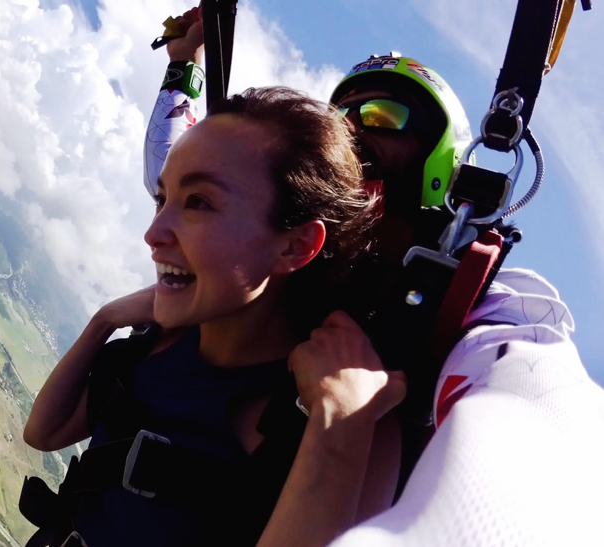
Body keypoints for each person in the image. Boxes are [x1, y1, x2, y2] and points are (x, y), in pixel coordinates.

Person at [143, 8, 604, 547]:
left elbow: (544, 423)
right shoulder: (281, 239)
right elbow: (175, 173)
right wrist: (185, 66)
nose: (354, 130)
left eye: (385, 116)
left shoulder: (478, 304)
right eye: (341, 120)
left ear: (439, 161)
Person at [23, 87, 406, 547]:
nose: (153, 233)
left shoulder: (348, 422)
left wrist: (341, 423)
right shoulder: (155, 347)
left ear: (296, 245)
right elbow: (44, 432)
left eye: (198, 202)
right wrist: (103, 321)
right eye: (162, 199)